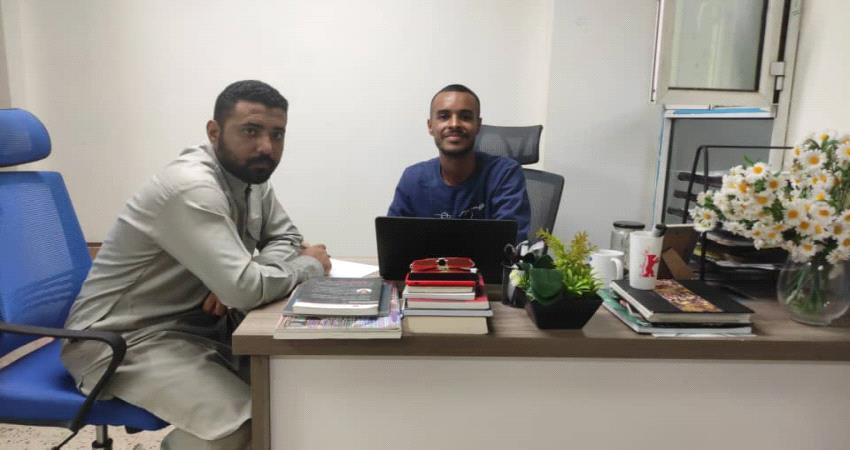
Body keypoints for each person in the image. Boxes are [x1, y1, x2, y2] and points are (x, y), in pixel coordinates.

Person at [61, 80, 331, 450]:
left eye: (277, 134)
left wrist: (240, 276)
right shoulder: (191, 187)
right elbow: (246, 288)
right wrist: (304, 267)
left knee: (293, 386)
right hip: (121, 341)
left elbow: (285, 237)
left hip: (196, 326)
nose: (266, 147)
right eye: (251, 131)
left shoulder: (252, 177)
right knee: (250, 422)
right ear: (214, 132)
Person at [387, 84, 531, 242]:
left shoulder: (504, 174)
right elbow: (394, 240)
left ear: (478, 125)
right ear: (430, 126)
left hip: (484, 262)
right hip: (425, 260)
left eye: (466, 117)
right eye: (444, 116)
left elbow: (509, 244)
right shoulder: (413, 178)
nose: (454, 124)